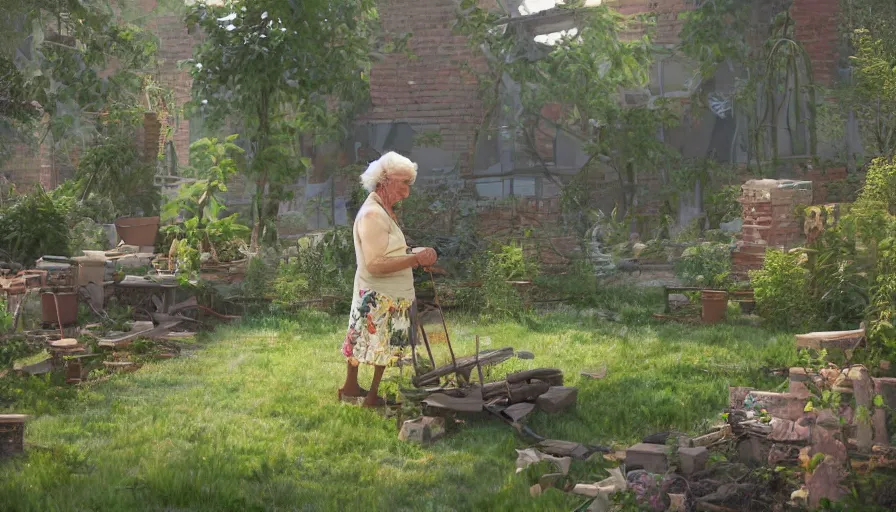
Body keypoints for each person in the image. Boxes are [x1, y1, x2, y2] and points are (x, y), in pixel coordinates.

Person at [338, 152, 438, 407]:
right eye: (403, 183)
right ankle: (370, 396)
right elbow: (374, 264)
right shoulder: (373, 215)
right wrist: (416, 259)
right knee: (376, 345)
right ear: (384, 181)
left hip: (386, 294)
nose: (407, 192)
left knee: (365, 341)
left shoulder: (383, 210)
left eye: (408, 184)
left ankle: (352, 388)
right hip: (380, 296)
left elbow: (388, 253)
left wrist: (413, 253)